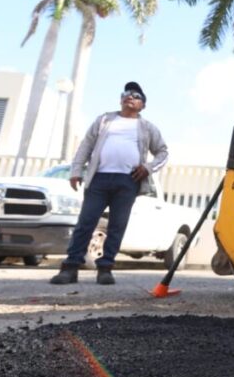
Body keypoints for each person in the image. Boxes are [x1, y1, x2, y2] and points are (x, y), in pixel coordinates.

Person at [49, 82, 168, 285]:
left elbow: (163, 153)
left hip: (128, 181)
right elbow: (86, 145)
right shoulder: (104, 120)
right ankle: (70, 268)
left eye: (136, 95)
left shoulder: (147, 127)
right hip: (99, 178)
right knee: (86, 222)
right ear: (121, 99)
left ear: (143, 106)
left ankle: (105, 268)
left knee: (117, 225)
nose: (130, 96)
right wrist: (76, 171)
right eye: (126, 93)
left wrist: (148, 167)